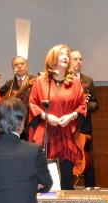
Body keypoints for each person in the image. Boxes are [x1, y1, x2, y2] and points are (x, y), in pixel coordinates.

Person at [28, 44, 87, 190]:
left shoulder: (75, 82)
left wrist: (71, 117)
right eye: (62, 54)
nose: (65, 57)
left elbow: (82, 105)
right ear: (53, 58)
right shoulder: (41, 81)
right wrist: (45, 116)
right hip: (47, 132)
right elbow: (32, 104)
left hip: (67, 133)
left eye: (67, 55)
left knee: (66, 173)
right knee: (46, 172)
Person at [70, 50, 99, 187]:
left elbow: (95, 103)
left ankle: (90, 189)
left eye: (80, 59)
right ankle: (67, 189)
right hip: (68, 126)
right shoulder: (64, 79)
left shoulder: (87, 80)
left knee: (88, 158)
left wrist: (84, 107)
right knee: (68, 158)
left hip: (85, 127)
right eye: (75, 59)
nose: (78, 62)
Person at [0, 56, 34, 141]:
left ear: (27, 67)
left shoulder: (35, 80)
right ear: (13, 68)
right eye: (16, 65)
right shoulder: (9, 83)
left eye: (22, 64)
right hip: (13, 122)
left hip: (29, 121)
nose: (19, 66)